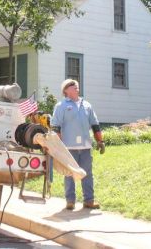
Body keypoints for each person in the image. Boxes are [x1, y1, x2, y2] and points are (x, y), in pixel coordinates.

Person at [51, 78, 105, 210]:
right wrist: (58, 146)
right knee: (69, 174)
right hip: (68, 147)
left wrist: (100, 140)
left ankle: (89, 200)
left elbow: (95, 124)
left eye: (76, 85)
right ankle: (70, 201)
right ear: (66, 90)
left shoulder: (87, 105)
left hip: (86, 147)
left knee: (87, 174)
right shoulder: (61, 106)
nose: (76, 86)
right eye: (72, 85)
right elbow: (56, 126)